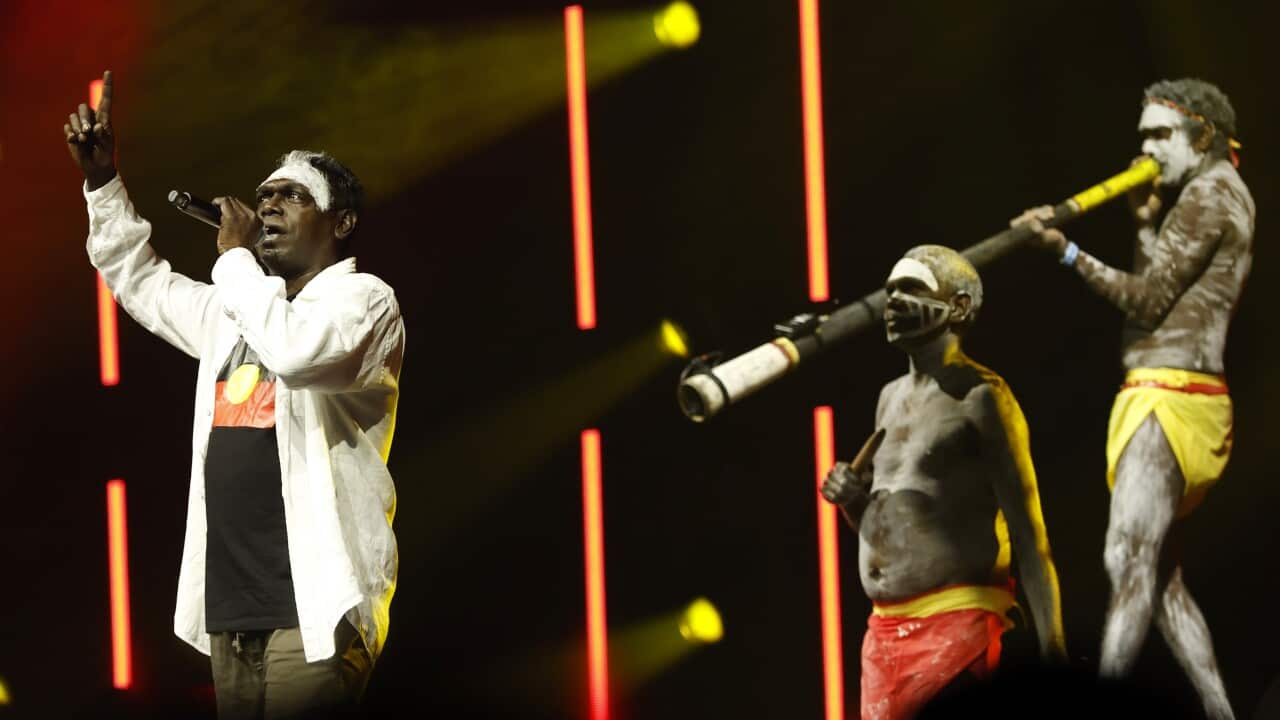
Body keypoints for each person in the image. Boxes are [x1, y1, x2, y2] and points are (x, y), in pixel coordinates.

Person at [66, 71, 406, 719]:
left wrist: (236, 260)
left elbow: (299, 353)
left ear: (343, 221)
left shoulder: (365, 303)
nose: (269, 204)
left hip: (314, 609)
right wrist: (102, 182)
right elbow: (138, 281)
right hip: (233, 611)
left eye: (291, 196)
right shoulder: (236, 310)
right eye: (263, 195)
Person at [1013, 78, 1253, 720]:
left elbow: (1145, 302)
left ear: (1200, 133)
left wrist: (1063, 250)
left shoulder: (1207, 195)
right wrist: (1145, 225)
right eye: (1141, 134)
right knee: (1160, 574)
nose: (1145, 149)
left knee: (1126, 555)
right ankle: (1218, 708)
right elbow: (1165, 291)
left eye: (1159, 135)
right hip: (1168, 391)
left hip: (1172, 399)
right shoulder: (1211, 194)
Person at [821, 245, 1066, 720]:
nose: (893, 302)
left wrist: (1053, 652)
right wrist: (855, 503)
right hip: (884, 638)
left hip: (958, 628)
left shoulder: (984, 398)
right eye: (890, 291)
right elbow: (899, 532)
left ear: (958, 307)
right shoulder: (888, 397)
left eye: (910, 289)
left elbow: (1030, 535)